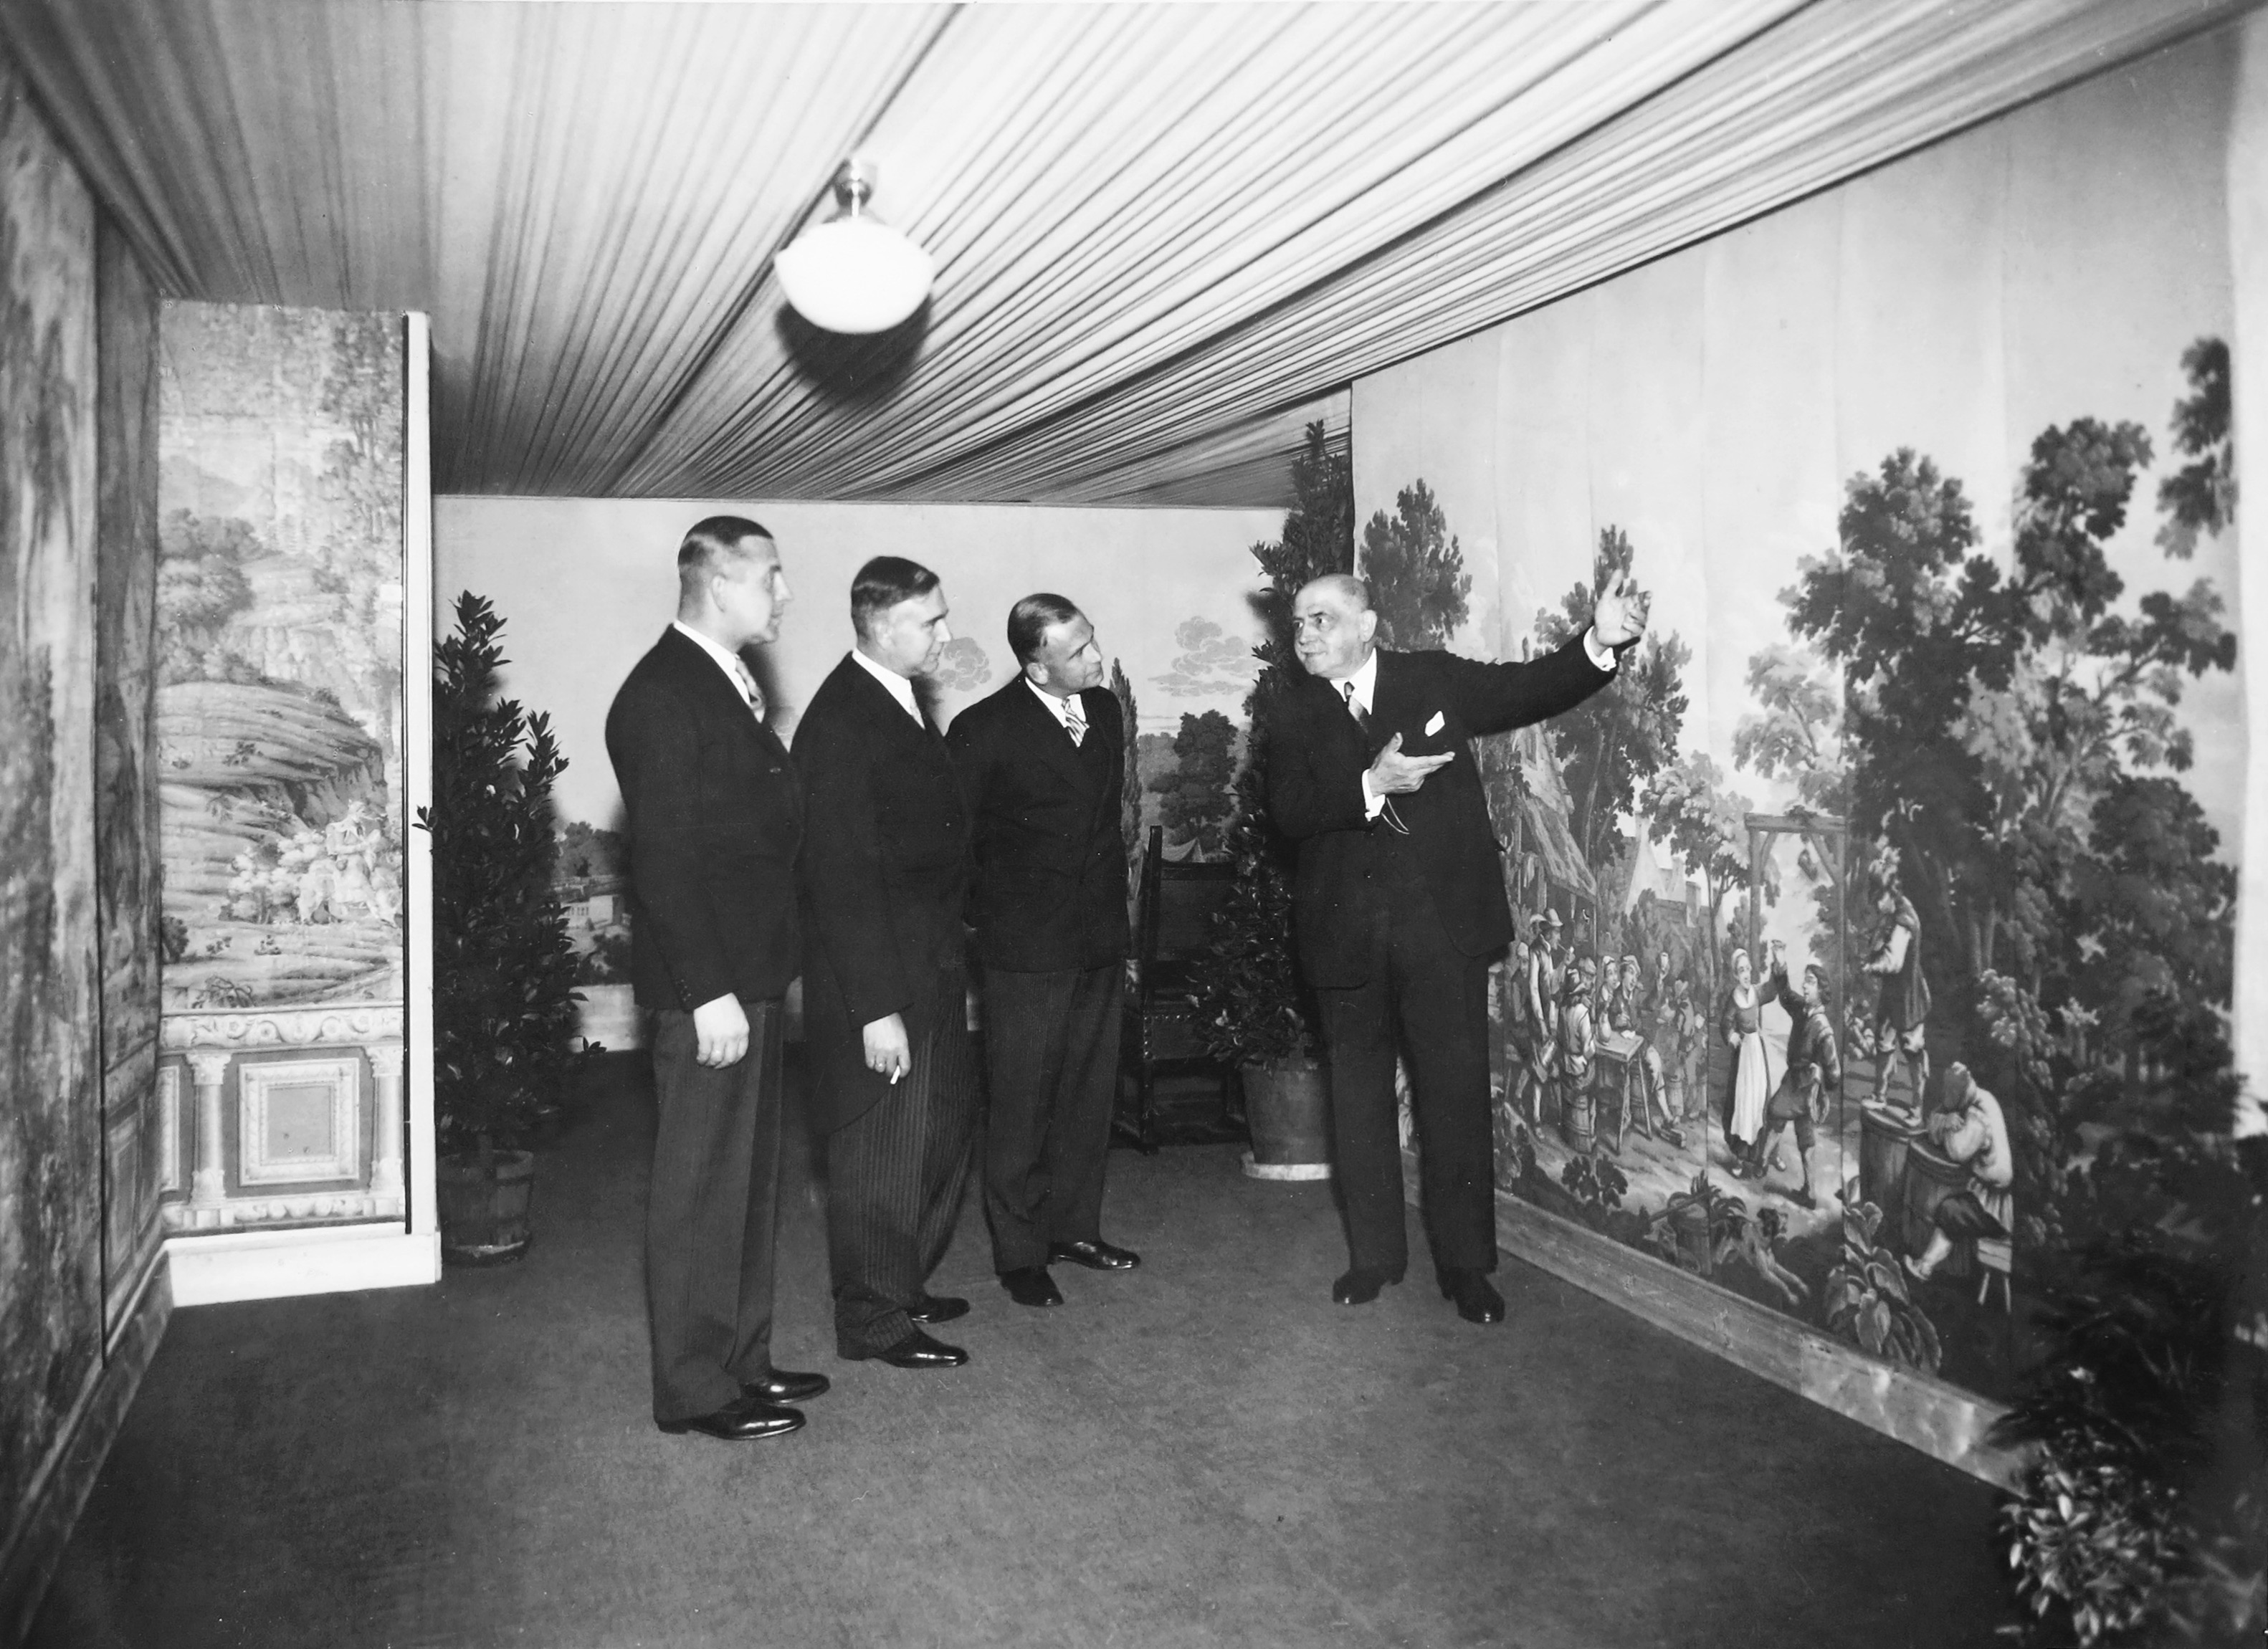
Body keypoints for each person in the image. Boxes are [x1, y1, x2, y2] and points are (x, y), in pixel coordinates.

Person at [1264, 570, 1644, 1324]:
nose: (1304, 634)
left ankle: (1467, 1268)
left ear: (1366, 624)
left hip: (1443, 934)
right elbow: (1288, 812)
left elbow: (1523, 690)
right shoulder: (1288, 712)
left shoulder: (1430, 679)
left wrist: (1597, 643)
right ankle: (1374, 1258)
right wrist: (1370, 783)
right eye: (1298, 622)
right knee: (1359, 1103)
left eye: (1321, 618)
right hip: (1346, 939)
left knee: (1456, 1100)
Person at [604, 516, 823, 1443]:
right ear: (720, 584)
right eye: (772, 576)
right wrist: (708, 993)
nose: (785, 593)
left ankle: (742, 1359)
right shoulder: (663, 694)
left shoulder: (722, 682)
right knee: (700, 1189)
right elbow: (664, 862)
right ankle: (695, 1388)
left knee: (744, 1183)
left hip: (750, 977)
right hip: (713, 991)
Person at [794, 557, 981, 1371]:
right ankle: (872, 1318)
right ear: (877, 625)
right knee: (880, 1152)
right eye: (929, 620)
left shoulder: (897, 699)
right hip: (878, 985)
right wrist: (874, 1008)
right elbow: (838, 878)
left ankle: (901, 1282)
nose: (945, 633)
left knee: (938, 1133)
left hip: (929, 968)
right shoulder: (841, 720)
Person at [945, 593, 1140, 1309]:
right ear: (1036, 665)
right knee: (1022, 1100)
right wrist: (993, 920)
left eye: (1092, 640)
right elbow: (955, 842)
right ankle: (1021, 1251)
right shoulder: (983, 729)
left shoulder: (1106, 712)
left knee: (1088, 1092)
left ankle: (1074, 1229)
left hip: (1097, 936)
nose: (1096, 657)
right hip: (1025, 946)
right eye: (1078, 650)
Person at [1739, 945, 1839, 1208]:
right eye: (1805, 981)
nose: (1805, 986)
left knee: (1778, 1114)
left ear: (1822, 991)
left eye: (1811, 982)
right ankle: (1804, 1189)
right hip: (1796, 1081)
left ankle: (1765, 1164)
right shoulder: (1802, 1009)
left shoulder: (1823, 1029)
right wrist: (1780, 962)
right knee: (1799, 1132)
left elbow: (1835, 1073)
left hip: (1803, 1085)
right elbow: (1784, 995)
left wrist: (1821, 1078)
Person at [1903, 1062, 2013, 1282]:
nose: (1945, 1095)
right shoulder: (1981, 1097)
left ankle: (1925, 1267)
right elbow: (1934, 1119)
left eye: (1949, 1091)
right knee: (1952, 1208)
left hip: (1993, 1210)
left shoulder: (1978, 1115)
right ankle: (1927, 1265)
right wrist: (1946, 1120)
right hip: (1983, 1195)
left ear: (1957, 1092)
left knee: (1949, 1211)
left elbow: (1957, 1152)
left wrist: (1945, 1125)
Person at [1864, 876, 1931, 1114]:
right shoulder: (1891, 915)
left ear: (1891, 893)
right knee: (1884, 1041)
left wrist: (1871, 966)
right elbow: (1878, 943)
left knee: (1912, 1047)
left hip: (1909, 995)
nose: (1876, 904)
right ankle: (1880, 1095)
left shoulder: (1904, 921)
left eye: (1879, 898)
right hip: (1893, 993)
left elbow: (1893, 961)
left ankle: (1917, 1107)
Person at [1720, 946, 1772, 1165]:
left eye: (1748, 969)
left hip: (1757, 1052)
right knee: (1743, 1101)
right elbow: (1726, 1022)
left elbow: (1773, 989)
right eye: (1741, 970)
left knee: (1759, 1097)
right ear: (1735, 974)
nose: (1746, 974)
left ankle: (1757, 1153)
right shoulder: (1734, 999)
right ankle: (1740, 1156)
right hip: (1743, 1056)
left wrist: (1779, 963)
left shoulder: (1757, 993)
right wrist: (1731, 1035)